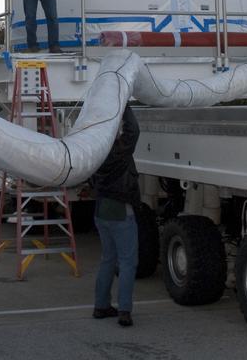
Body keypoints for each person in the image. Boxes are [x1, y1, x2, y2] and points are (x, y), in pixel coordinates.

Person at [90, 103, 140, 327]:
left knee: (108, 259)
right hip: (121, 209)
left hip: (101, 210)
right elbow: (134, 130)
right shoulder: (119, 151)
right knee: (128, 262)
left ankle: (101, 306)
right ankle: (125, 311)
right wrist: (123, 104)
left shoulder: (95, 152)